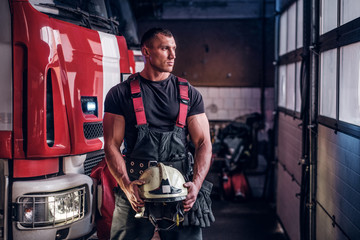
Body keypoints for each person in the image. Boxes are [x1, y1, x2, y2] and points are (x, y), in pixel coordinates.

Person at [103, 27, 213, 240]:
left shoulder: (189, 93)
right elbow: (111, 145)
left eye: (174, 49)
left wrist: (196, 185)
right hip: (136, 187)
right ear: (146, 51)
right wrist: (126, 186)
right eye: (165, 49)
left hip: (181, 188)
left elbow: (203, 143)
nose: (173, 55)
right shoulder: (120, 94)